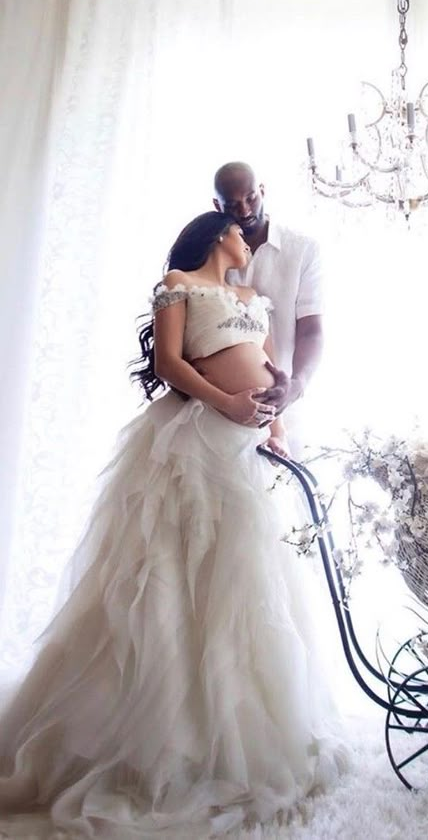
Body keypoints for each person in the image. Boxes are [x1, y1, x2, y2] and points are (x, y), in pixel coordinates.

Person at [0, 212, 347, 838]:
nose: (249, 240)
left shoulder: (253, 298)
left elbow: (268, 368)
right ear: (219, 234)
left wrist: (275, 428)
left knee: (240, 584)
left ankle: (229, 733)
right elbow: (169, 364)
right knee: (167, 582)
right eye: (240, 233)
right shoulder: (179, 284)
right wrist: (229, 404)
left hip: (244, 451)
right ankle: (156, 742)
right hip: (190, 444)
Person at [213, 161, 323, 455]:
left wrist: (297, 386)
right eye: (233, 205)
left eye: (251, 198)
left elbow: (312, 331)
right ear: (216, 205)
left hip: (286, 407)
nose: (245, 211)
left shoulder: (303, 250)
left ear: (262, 190)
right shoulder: (208, 255)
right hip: (218, 411)